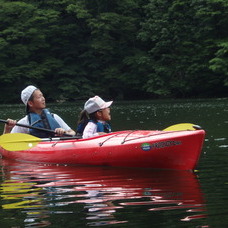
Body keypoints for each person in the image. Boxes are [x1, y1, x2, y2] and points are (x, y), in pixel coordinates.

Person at [3, 85, 75, 137]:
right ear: (30, 103)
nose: (43, 98)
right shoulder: (24, 123)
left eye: (42, 96)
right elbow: (5, 144)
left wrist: (64, 132)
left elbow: (73, 133)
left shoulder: (54, 117)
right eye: (39, 97)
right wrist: (7, 129)